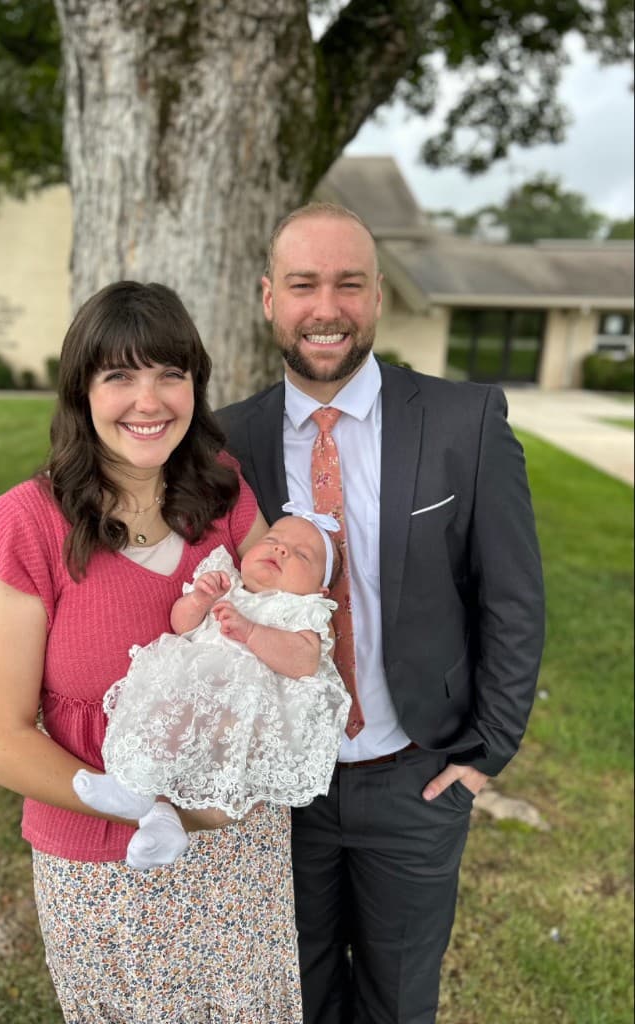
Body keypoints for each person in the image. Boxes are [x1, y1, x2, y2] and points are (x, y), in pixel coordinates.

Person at [217, 202, 545, 1024]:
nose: (325, 307)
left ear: (377, 298)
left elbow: (512, 597)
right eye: (302, 284)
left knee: (398, 1003)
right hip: (275, 796)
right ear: (267, 297)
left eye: (348, 284)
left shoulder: (463, 423)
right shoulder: (225, 443)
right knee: (292, 996)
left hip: (413, 778)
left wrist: (485, 752)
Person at [0, 280, 303, 1023]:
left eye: (169, 374)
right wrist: (145, 805)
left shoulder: (224, 497)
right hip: (107, 862)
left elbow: (281, 637)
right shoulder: (28, 527)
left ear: (194, 385)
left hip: (238, 843)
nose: (149, 401)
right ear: (81, 392)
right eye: (119, 375)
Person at [74, 505, 351, 869]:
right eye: (273, 540)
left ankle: (146, 797)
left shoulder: (301, 610)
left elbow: (303, 661)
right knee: (162, 723)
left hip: (245, 713)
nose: (281, 549)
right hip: (196, 696)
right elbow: (182, 626)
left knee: (192, 744)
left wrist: (251, 632)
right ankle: (149, 806)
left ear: (319, 588)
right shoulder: (226, 583)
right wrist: (198, 600)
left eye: (301, 554)